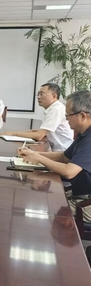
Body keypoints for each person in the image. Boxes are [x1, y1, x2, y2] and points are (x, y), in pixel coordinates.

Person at [18, 91, 91, 221]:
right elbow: (64, 157)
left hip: (86, 203)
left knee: (48, 208)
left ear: (82, 116)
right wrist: (33, 154)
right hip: (81, 195)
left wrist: (39, 158)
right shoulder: (84, 133)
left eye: (68, 115)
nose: (66, 118)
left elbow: (69, 172)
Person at [3, 83, 73, 152]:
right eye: (38, 94)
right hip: (57, 149)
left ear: (54, 96)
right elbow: (41, 132)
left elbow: (39, 135)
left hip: (62, 152)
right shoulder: (55, 108)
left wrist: (13, 133)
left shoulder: (56, 110)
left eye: (42, 94)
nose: (39, 97)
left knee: (25, 153)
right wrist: (15, 133)